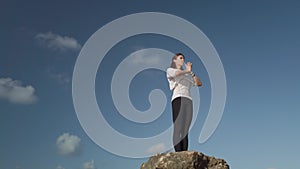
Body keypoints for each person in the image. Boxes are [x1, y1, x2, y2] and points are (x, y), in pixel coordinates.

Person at [166, 53, 202, 152]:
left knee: (185, 130)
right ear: (175, 60)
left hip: (188, 100)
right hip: (178, 99)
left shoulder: (187, 75)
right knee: (178, 127)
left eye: (183, 58)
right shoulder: (170, 70)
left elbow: (199, 83)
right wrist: (187, 70)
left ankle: (184, 154)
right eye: (180, 58)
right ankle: (178, 153)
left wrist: (191, 73)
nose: (183, 60)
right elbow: (176, 74)